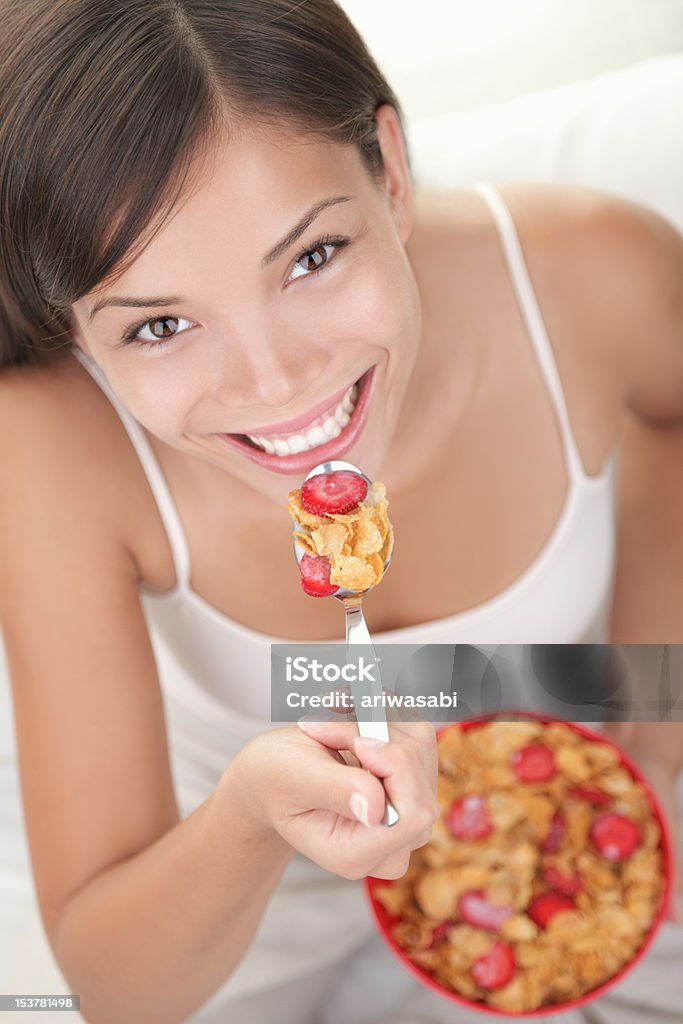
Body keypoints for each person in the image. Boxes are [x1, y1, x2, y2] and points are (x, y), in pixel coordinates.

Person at [0, 1, 681, 1021]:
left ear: (391, 172)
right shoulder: (48, 448)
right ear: (79, 335)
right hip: (246, 873)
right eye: (162, 325)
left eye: (311, 257)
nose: (277, 383)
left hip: (564, 800)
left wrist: (647, 713)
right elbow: (114, 986)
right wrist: (250, 815)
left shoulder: (595, 272)